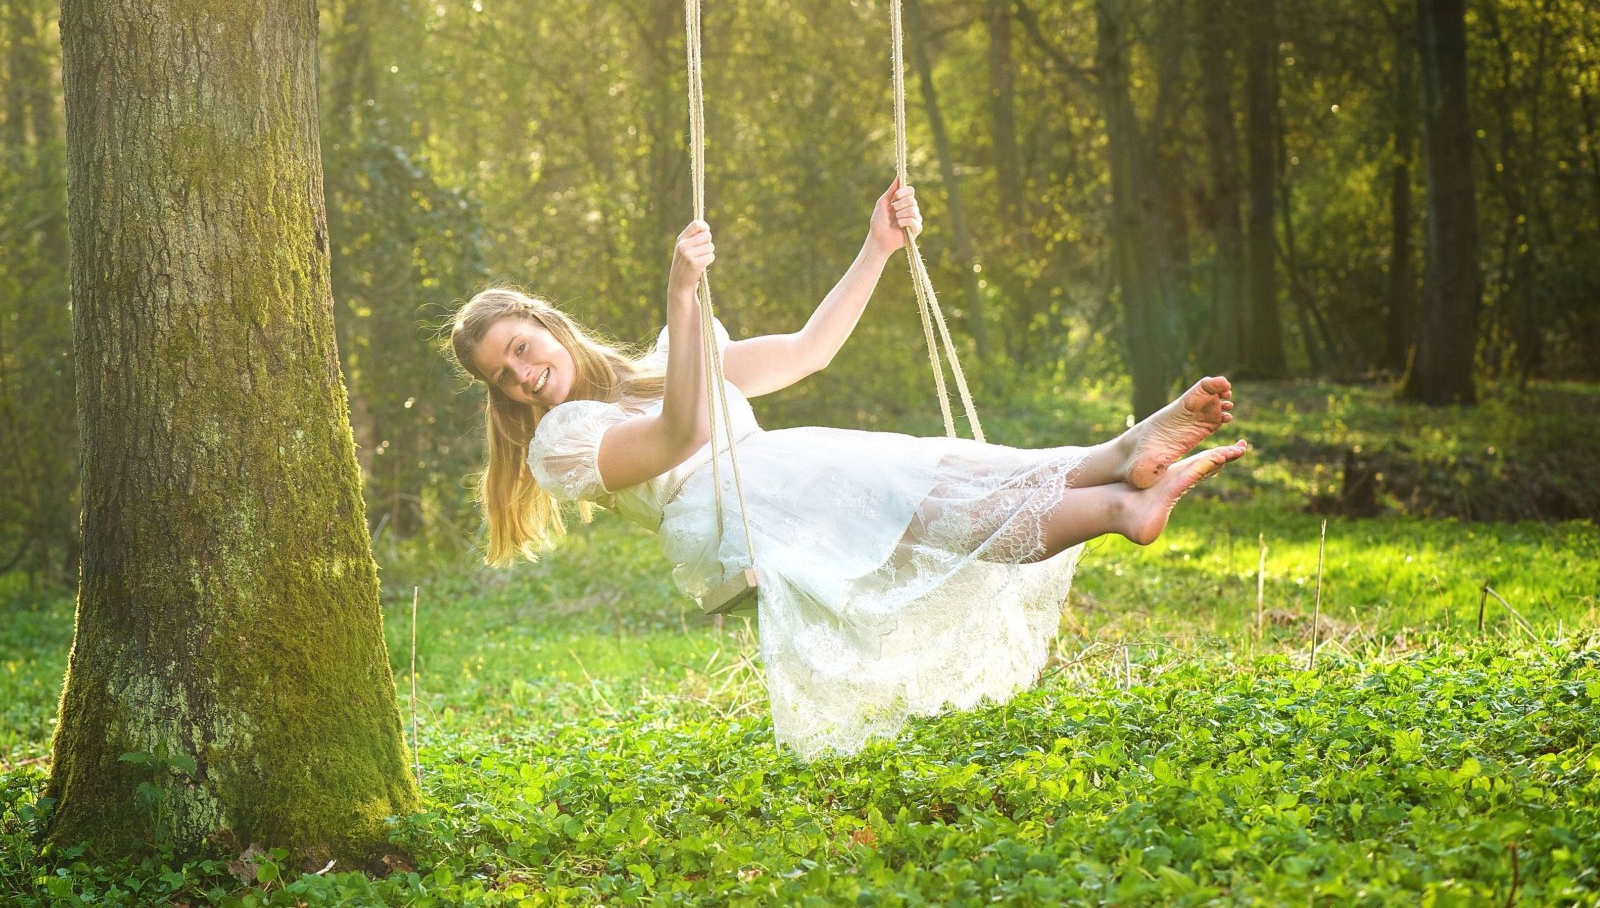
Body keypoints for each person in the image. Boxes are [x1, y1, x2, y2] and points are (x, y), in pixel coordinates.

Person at [448, 180, 1249, 758]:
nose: (522, 375)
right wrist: (681, 297)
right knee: (937, 515)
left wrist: (878, 247)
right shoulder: (561, 443)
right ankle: (1118, 508)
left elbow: (807, 351)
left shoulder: (666, 359)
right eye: (503, 377)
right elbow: (679, 433)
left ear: (546, 325)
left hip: (784, 468)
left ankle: (1124, 457)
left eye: (521, 348)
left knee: (949, 468)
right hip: (736, 512)